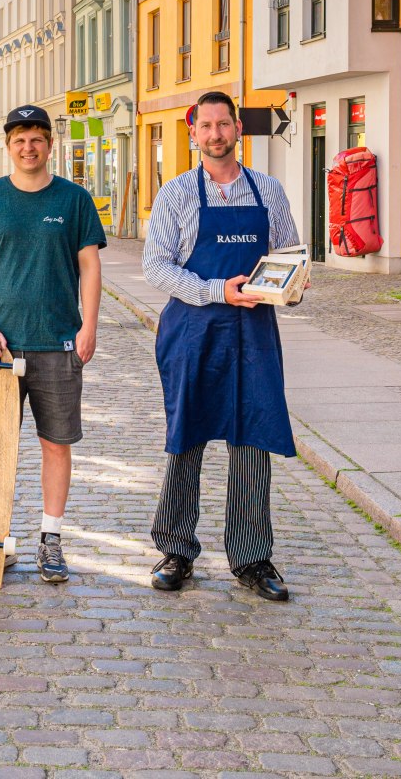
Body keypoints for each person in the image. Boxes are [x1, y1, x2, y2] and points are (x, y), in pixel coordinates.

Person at [143, 91, 300, 602]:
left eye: (223, 124)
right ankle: (176, 549)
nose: (215, 134)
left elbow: (288, 255)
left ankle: (253, 557)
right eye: (206, 126)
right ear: (194, 134)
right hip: (192, 332)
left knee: (253, 438)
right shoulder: (176, 194)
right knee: (186, 438)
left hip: (254, 335)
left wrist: (293, 285)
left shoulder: (270, 191)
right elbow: (156, 266)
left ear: (238, 129)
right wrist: (216, 291)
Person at [0, 104, 105, 584]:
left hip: (58, 343)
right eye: (19, 139)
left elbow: (89, 266)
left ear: (50, 144)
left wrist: (89, 326)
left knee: (55, 444)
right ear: (8, 146)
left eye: (37, 138)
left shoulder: (74, 199)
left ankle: (51, 539)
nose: (28, 147)